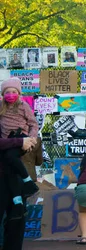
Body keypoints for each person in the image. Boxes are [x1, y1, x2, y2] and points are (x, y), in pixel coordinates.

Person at [0, 78, 40, 219]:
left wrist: (31, 138)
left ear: (18, 93)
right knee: (9, 166)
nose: (10, 94)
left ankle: (28, 182)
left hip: (22, 138)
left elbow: (33, 124)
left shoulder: (23, 106)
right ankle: (18, 203)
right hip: (7, 140)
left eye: (13, 92)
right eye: (7, 92)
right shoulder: (1, 106)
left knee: (10, 157)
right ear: (3, 94)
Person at [0, 130, 37, 250]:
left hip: (14, 176)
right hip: (11, 176)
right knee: (15, 218)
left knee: (17, 218)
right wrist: (20, 141)